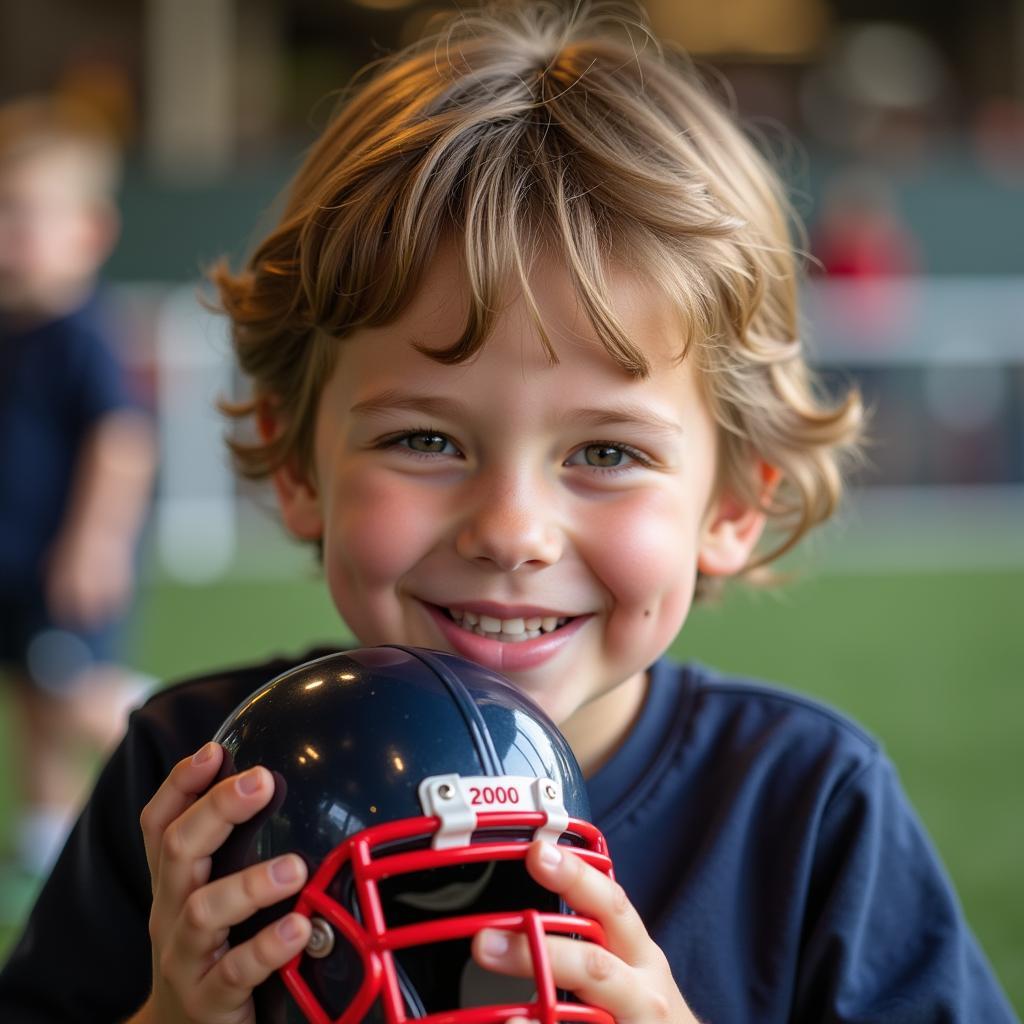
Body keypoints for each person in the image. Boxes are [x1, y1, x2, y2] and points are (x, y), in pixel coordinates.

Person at [0, 3, 1017, 1021]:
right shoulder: (194, 774)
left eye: (607, 452)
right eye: (425, 440)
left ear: (735, 499)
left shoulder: (806, 805)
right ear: (298, 457)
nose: (511, 529)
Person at [0, 96, 156, 883]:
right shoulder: (11, 331)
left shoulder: (82, 333)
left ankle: (172, 750)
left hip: (61, 562)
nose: (6, 239)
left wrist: (95, 543)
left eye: (23, 218)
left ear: (88, 233)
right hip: (13, 563)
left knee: (74, 693)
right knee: (33, 699)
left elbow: (121, 441)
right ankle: (45, 829)